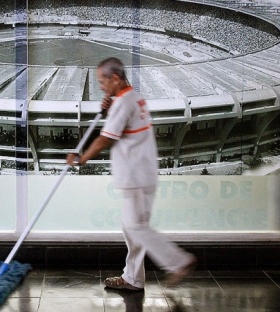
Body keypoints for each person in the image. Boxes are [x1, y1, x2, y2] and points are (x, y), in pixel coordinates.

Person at [67, 57, 196, 291]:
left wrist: (81, 158)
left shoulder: (124, 104)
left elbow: (105, 138)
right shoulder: (133, 98)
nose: (101, 87)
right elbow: (123, 124)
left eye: (102, 81)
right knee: (132, 228)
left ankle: (178, 262)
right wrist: (110, 106)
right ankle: (133, 278)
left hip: (136, 176)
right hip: (142, 174)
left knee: (135, 226)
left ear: (115, 78)